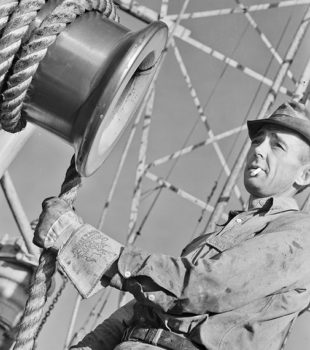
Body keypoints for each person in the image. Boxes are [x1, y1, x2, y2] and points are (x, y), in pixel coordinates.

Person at [33, 100, 310, 350]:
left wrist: (77, 239)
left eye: (277, 145)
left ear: (305, 174)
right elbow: (144, 308)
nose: (258, 149)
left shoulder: (301, 236)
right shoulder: (215, 237)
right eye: (257, 140)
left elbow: (204, 287)